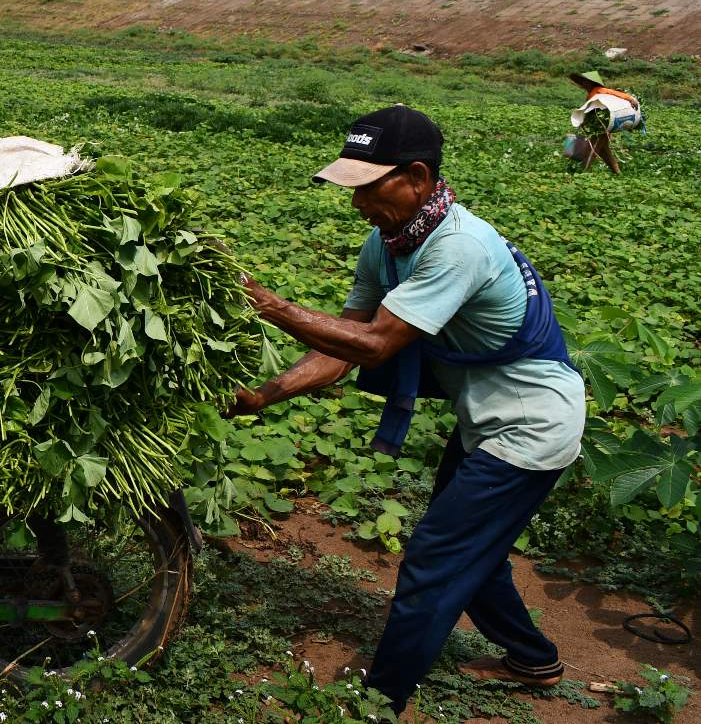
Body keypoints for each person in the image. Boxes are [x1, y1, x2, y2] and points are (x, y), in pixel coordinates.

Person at [233, 104, 586, 716]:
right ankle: (533, 658)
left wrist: (271, 305)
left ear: (418, 178)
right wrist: (261, 396)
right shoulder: (388, 243)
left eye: (368, 187)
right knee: (475, 548)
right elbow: (341, 349)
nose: (357, 203)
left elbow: (375, 344)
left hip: (530, 427)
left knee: (434, 557)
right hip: (487, 419)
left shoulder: (459, 248)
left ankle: (380, 698)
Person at [568, 70, 640, 174]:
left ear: (591, 82)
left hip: (601, 127)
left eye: (585, 81)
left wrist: (630, 99)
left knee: (592, 150)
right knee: (604, 152)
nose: (583, 84)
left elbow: (615, 93)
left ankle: (583, 172)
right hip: (600, 126)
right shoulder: (591, 94)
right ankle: (617, 172)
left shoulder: (599, 90)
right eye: (583, 82)